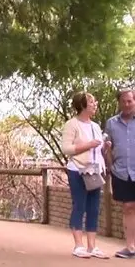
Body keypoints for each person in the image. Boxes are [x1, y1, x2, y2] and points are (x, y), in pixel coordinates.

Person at [60, 91, 109, 259]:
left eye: (95, 102)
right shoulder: (71, 124)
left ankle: (92, 247)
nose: (95, 104)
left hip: (95, 171)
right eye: (91, 102)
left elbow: (97, 149)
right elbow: (66, 149)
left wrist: (104, 147)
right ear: (82, 105)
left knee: (94, 208)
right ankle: (78, 245)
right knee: (79, 205)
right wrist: (88, 145)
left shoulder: (95, 126)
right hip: (77, 170)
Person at [103, 88, 135, 259]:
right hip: (121, 172)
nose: (127, 104)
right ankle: (130, 247)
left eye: (130, 101)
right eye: (123, 101)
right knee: (128, 207)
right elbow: (107, 148)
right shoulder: (111, 123)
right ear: (119, 103)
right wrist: (107, 151)